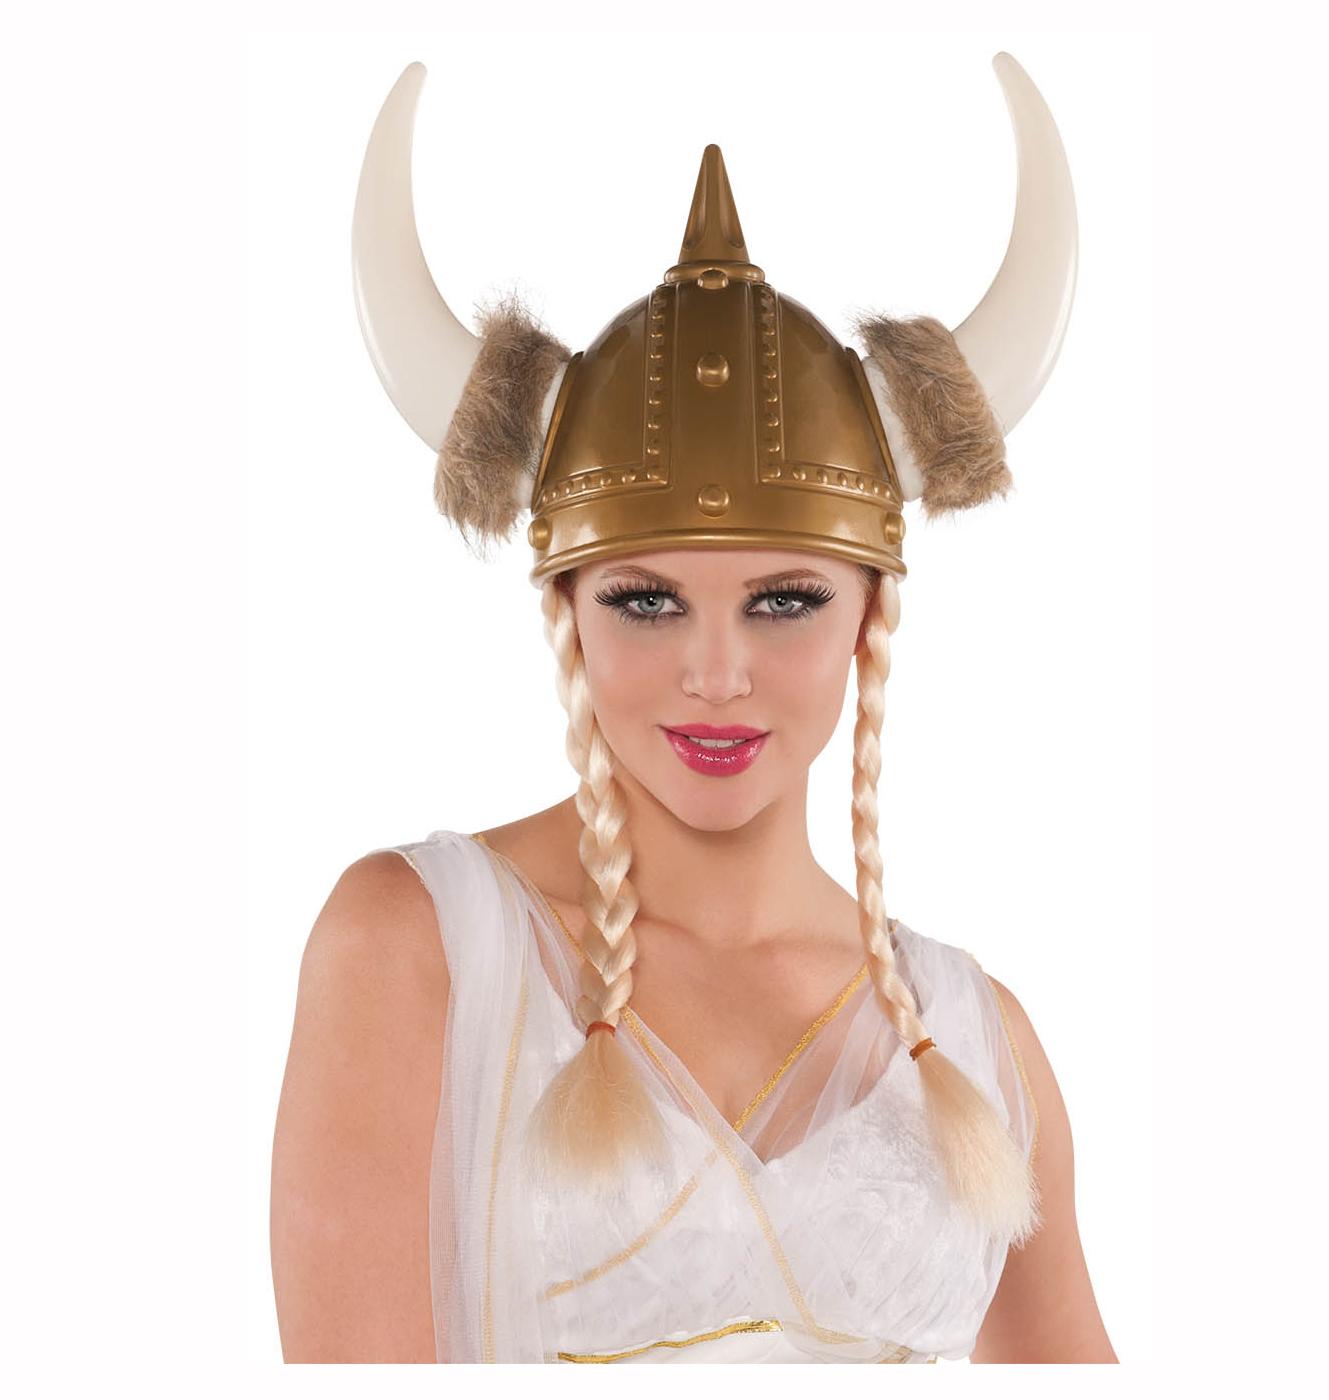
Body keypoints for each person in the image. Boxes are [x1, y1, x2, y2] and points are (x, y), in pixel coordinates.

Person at [270, 54, 1117, 1363]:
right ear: (565, 607)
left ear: (872, 613)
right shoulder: (421, 947)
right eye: (647, 601)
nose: (716, 673)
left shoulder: (972, 1036)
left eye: (783, 601)